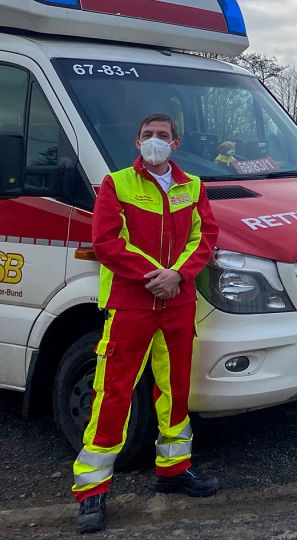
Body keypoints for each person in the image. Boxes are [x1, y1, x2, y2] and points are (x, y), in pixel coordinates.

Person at [73, 114, 220, 534]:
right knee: (113, 391)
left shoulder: (193, 187)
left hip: (178, 301)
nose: (155, 141)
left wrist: (178, 276)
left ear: (176, 143)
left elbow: (205, 238)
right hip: (131, 303)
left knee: (175, 389)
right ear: (137, 141)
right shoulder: (115, 184)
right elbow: (107, 243)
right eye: (148, 135)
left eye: (163, 136)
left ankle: (174, 469)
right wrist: (156, 275)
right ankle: (92, 490)